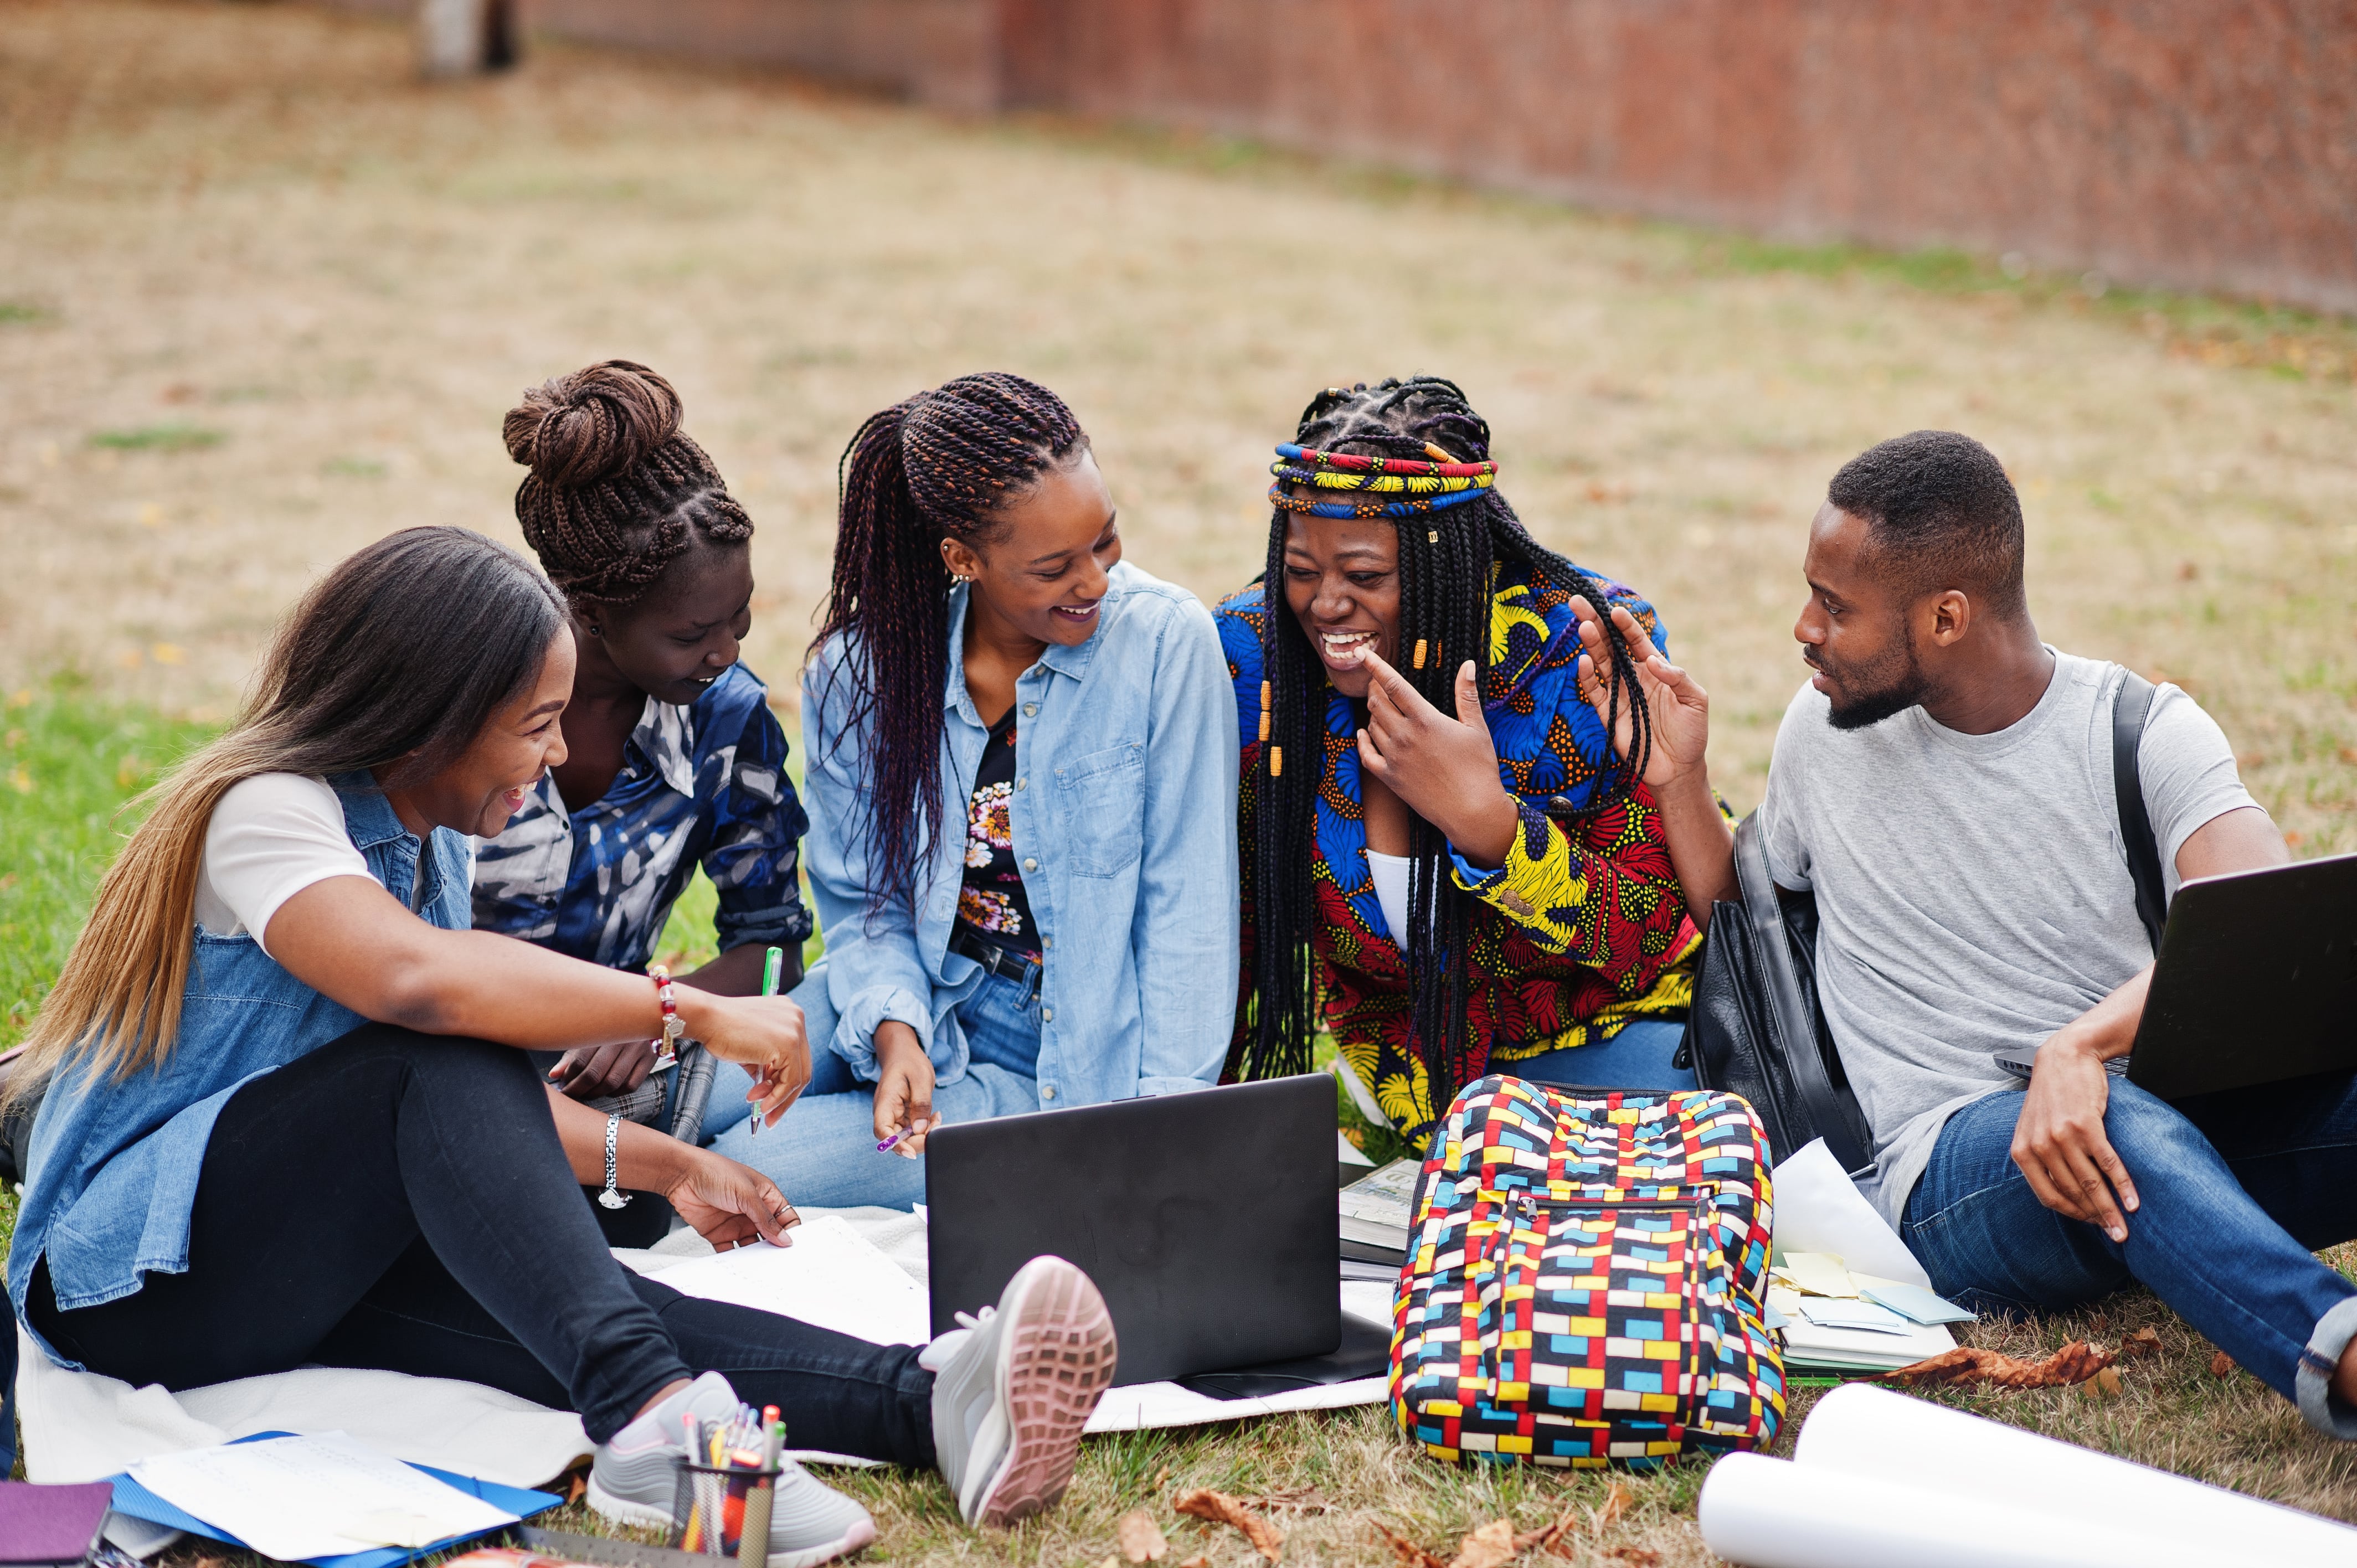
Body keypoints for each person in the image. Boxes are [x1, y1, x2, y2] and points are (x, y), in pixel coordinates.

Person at [4, 528, 1119, 1550]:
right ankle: (647, 1425)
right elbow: (423, 1000)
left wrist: (671, 1164)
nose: (549, 760)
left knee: (595, 1302)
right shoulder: (269, 811)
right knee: (469, 1076)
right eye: (534, 726)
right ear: (431, 717)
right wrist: (684, 1005)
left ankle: (933, 1406)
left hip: (288, 1266)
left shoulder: (427, 849)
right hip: (128, 1281)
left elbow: (455, 1123)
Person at [1578, 428, 2357, 1439]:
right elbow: (1749, 922)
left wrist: (2078, 1047)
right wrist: (1677, 780)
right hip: (1947, 1171)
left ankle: (2182, 1216)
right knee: (2117, 1126)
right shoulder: (1823, 733)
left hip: (2152, 1114)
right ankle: (2339, 1360)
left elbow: (2256, 921)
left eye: (1837, 606)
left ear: (1947, 616)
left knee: (2128, 1119)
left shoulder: (2140, 729)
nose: (1804, 627)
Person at [711, 373, 1238, 1208]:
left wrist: (1153, 1135)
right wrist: (896, 1032)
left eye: (1106, 541)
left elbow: (1189, 911)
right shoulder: (863, 674)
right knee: (683, 1108)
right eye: (1053, 567)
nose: (1095, 581)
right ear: (963, 557)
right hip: (912, 991)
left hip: (1063, 1064)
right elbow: (868, 903)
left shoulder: (1165, 645)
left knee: (742, 1166)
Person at [1218, 377, 1701, 1152]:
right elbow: (1234, 925)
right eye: (1302, 570)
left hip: (1599, 1050)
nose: (1324, 605)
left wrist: (1493, 829)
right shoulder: (1254, 668)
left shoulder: (1576, 658)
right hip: (1399, 1079)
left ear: (1457, 566)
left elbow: (1649, 932)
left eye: (1365, 576)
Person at [473, 360, 813, 1118]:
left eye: (741, 617)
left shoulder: (726, 719)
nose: (725, 653)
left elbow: (775, 953)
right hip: (441, 1060)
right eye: (692, 634)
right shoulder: (465, 702)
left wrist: (659, 1010)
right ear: (592, 611)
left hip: (611, 1084)